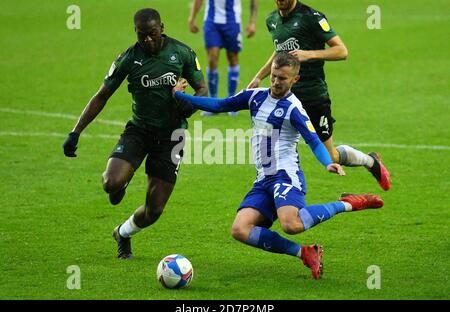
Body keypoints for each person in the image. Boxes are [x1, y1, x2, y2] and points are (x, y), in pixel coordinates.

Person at [173, 52, 384, 279]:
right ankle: (305, 253)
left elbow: (313, 140)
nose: (275, 82)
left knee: (291, 224)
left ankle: (348, 203)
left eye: (282, 78)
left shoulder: (294, 109)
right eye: (273, 76)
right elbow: (220, 104)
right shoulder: (255, 96)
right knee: (240, 230)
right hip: (263, 179)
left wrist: (327, 163)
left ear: (295, 79)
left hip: (285, 176)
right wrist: (182, 97)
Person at [62, 8, 207, 259]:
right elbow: (102, 95)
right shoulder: (128, 58)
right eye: (142, 36)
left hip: (172, 138)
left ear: (161, 27)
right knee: (111, 183)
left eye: (152, 34)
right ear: (136, 33)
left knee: (154, 211)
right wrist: (76, 131)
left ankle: (123, 233)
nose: (148, 40)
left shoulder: (182, 53)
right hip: (139, 130)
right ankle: (123, 182)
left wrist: (189, 104)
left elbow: (203, 89)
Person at [247, 0, 391, 191]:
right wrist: (258, 77)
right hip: (286, 98)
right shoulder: (272, 20)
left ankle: (370, 161)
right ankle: (276, 194)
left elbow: (342, 51)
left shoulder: (312, 17)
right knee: (272, 148)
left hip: (313, 96)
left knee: (331, 156)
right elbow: (279, 52)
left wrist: (310, 54)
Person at [188, 0, 259, 116]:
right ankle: (213, 103)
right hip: (211, 21)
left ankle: (232, 102)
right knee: (212, 59)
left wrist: (252, 21)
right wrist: (192, 18)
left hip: (232, 22)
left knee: (233, 59)